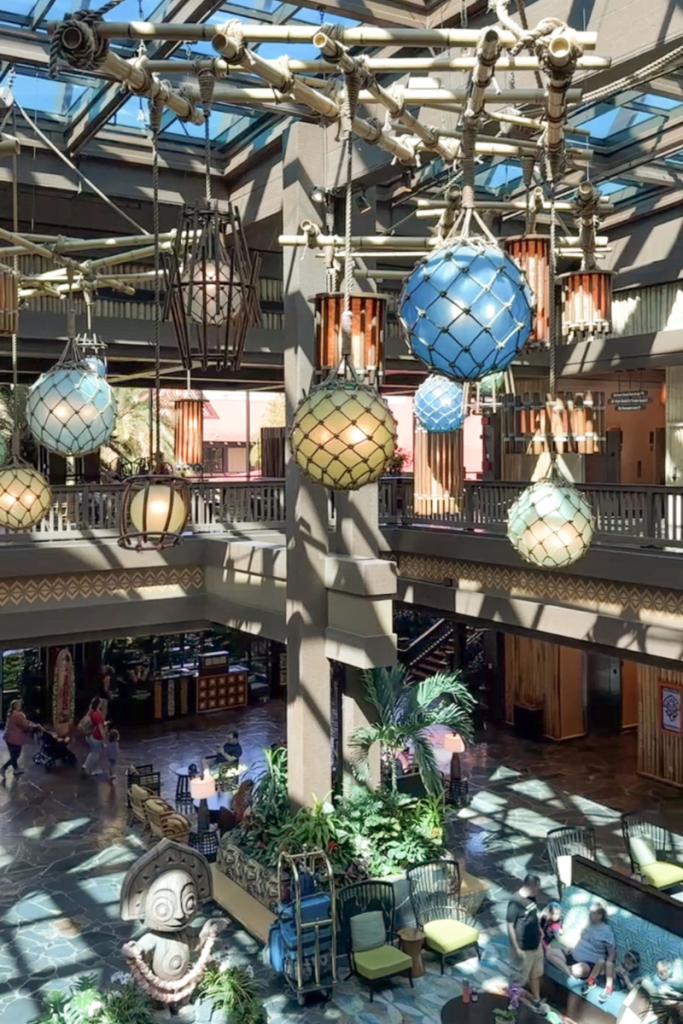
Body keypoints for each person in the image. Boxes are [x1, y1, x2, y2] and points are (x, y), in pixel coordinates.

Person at [507, 873, 549, 1013]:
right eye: (537, 888)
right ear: (531, 886)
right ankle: (512, 1004)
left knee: (536, 973)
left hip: (536, 943)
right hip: (523, 946)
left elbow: (533, 915)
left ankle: (536, 999)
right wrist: (516, 948)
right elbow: (510, 926)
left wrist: (539, 929)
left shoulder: (532, 898)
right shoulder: (515, 902)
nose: (538, 891)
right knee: (520, 977)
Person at [571, 904, 616, 1003]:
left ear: (600, 916)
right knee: (550, 953)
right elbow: (580, 937)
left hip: (590, 964)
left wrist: (607, 966)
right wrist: (570, 948)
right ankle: (568, 968)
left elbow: (612, 954)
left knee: (576, 970)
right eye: (590, 911)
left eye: (593, 913)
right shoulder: (588, 923)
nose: (590, 914)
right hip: (575, 955)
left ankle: (596, 984)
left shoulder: (606, 931)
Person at [1, 699, 37, 778]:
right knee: (16, 755)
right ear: (16, 706)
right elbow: (25, 725)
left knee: (13, 754)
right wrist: (33, 726)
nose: (20, 706)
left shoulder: (11, 714)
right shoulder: (18, 715)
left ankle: (15, 769)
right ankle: (4, 768)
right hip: (14, 738)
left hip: (9, 737)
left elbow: (24, 722)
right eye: (19, 705)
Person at [540, 902, 571, 976]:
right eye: (553, 914)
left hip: (550, 943)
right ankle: (567, 968)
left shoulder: (556, 925)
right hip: (543, 943)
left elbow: (558, 935)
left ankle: (566, 968)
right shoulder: (544, 921)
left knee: (560, 957)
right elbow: (540, 935)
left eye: (557, 914)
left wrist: (561, 931)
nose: (555, 916)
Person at [82, 697, 107, 775]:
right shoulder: (97, 715)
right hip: (96, 737)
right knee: (95, 753)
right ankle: (87, 767)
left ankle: (93, 768)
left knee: (94, 752)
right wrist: (104, 738)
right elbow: (101, 729)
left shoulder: (91, 712)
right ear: (98, 704)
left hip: (89, 736)